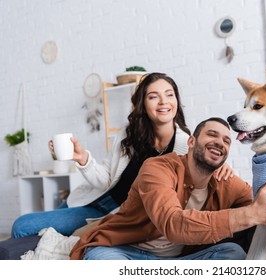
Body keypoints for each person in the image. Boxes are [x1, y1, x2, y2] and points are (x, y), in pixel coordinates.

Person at [11, 73, 233, 239]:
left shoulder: (187, 145)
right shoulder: (130, 133)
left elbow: (203, 173)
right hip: (92, 199)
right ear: (143, 105)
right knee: (30, 229)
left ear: (176, 101)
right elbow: (106, 179)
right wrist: (82, 159)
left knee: (22, 226)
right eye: (154, 97)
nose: (164, 102)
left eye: (169, 95)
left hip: (115, 214)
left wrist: (221, 168)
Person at [69, 117, 266, 260]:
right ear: (192, 142)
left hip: (178, 261)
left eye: (226, 141)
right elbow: (174, 224)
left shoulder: (227, 182)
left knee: (232, 253)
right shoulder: (157, 168)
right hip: (124, 252)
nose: (220, 142)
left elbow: (261, 205)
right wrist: (254, 213)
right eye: (212, 135)